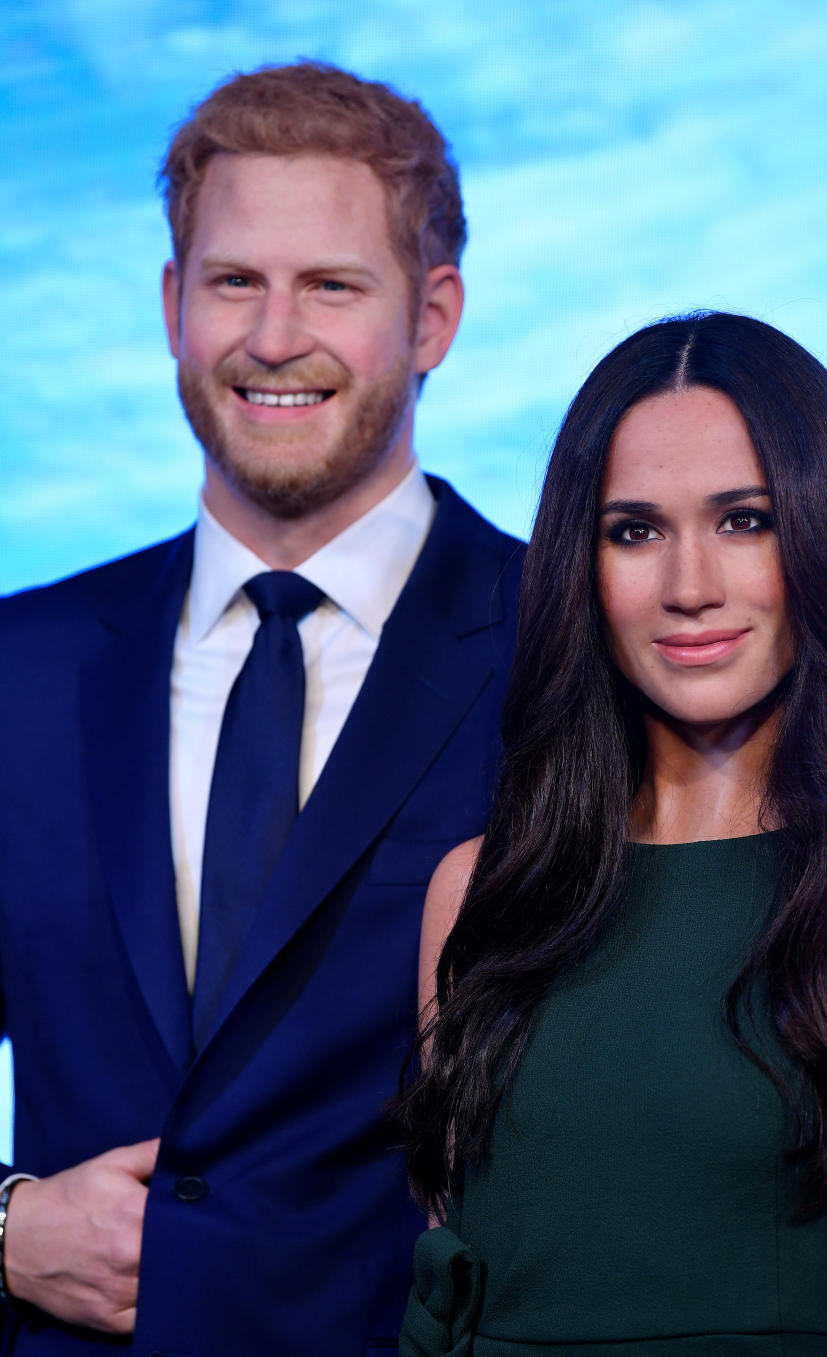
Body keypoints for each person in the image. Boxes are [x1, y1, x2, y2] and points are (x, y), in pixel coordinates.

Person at [0, 61, 522, 1356]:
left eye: (332, 285)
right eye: (235, 281)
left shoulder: (566, 650)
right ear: (175, 305)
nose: (273, 334)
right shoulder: (22, 669)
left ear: (434, 315)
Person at [398, 311, 827, 1355]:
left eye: (745, 520)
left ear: (826, 537)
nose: (690, 585)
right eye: (635, 530)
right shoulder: (477, 895)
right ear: (583, 564)